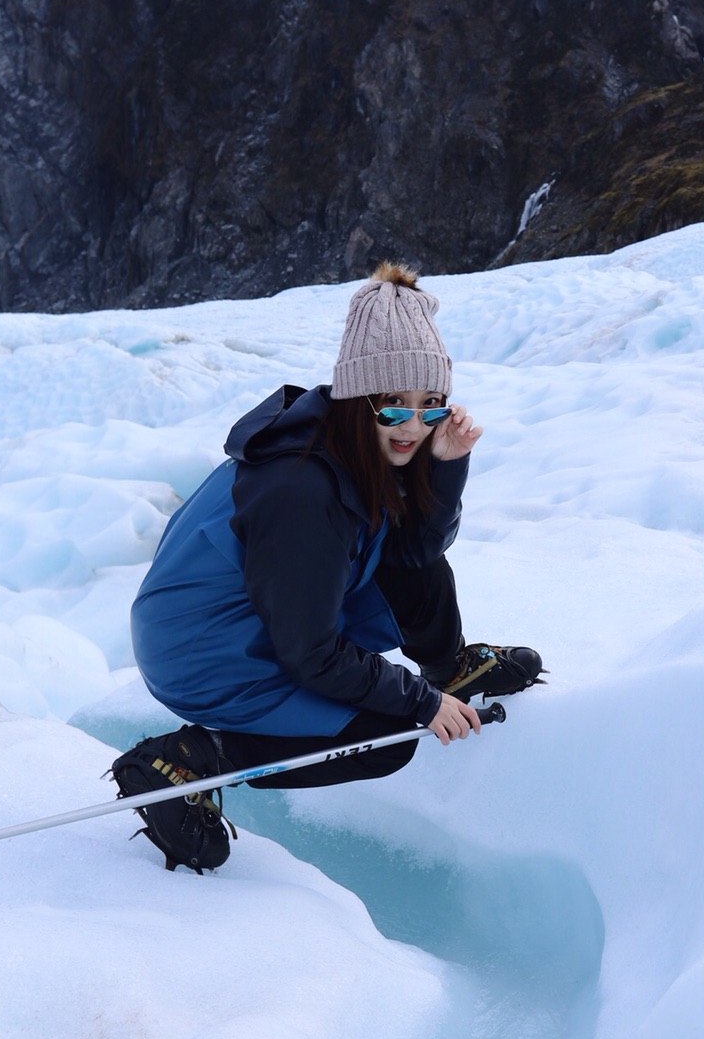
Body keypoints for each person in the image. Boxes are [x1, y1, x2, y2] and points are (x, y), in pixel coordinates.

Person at [112, 263, 542, 872]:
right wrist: (415, 701)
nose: (413, 427)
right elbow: (310, 652)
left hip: (254, 619)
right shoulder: (302, 491)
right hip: (203, 650)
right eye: (393, 407)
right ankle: (191, 756)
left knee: (406, 561)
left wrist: (446, 465)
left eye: (430, 407)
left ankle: (450, 667)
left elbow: (417, 554)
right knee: (382, 738)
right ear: (355, 397)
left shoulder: (356, 445)